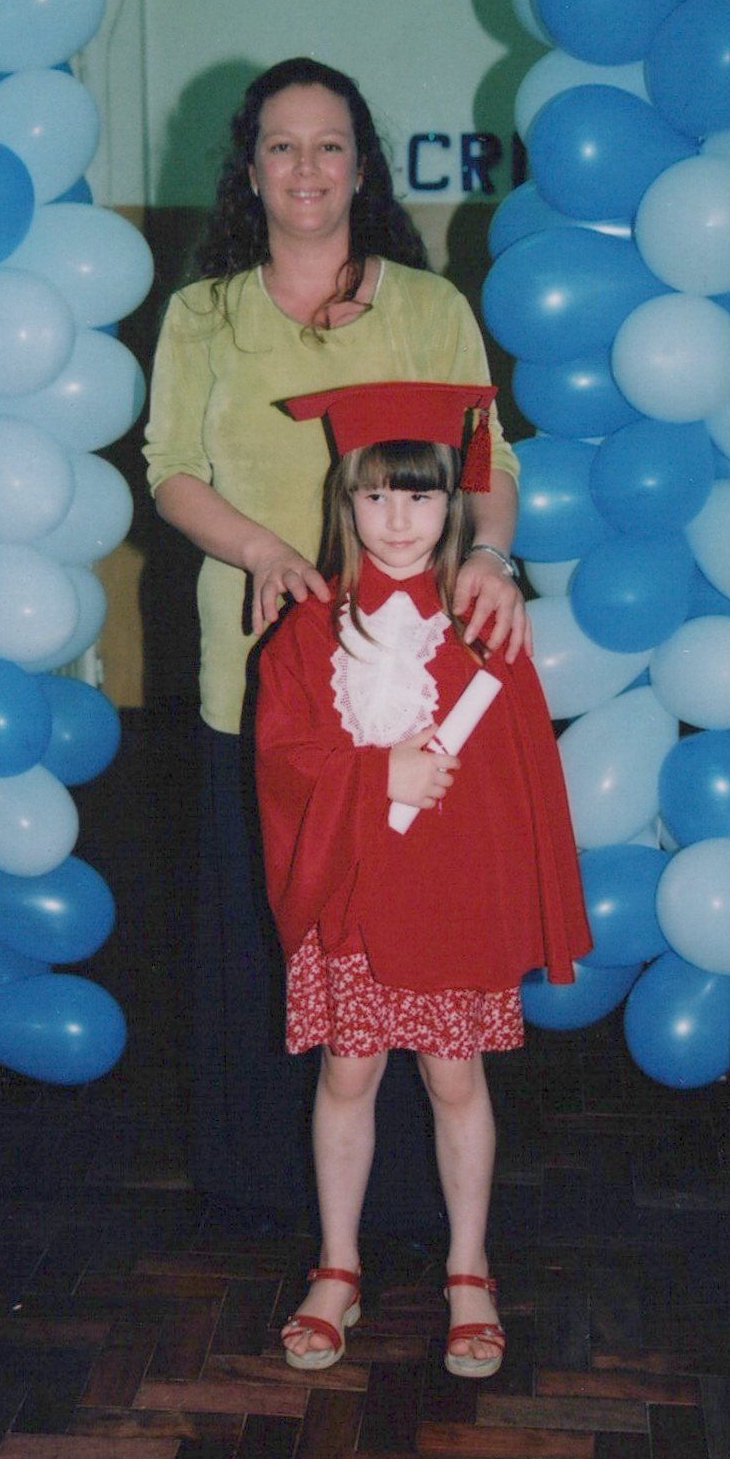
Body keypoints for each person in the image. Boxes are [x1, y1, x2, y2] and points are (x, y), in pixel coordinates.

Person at [143, 57, 527, 1222]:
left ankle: (409, 1201)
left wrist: (489, 555)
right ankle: (274, 1192)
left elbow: (487, 460)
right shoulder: (203, 314)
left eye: (328, 145)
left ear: (362, 168)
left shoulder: (429, 307)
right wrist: (262, 551)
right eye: (281, 145)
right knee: (273, 930)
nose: (304, 167)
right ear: (249, 169)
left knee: (407, 935)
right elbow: (171, 470)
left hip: (419, 696)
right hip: (263, 683)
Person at [255, 379, 591, 1373]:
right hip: (350, 900)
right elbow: (281, 760)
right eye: (374, 495)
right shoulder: (307, 630)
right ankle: (338, 1264)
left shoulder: (485, 625)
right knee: (346, 1071)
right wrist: (375, 777)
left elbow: (520, 781)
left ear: (454, 502)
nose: (397, 519)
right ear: (343, 500)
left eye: (421, 495)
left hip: (450, 902)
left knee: (455, 1076)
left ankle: (469, 1268)